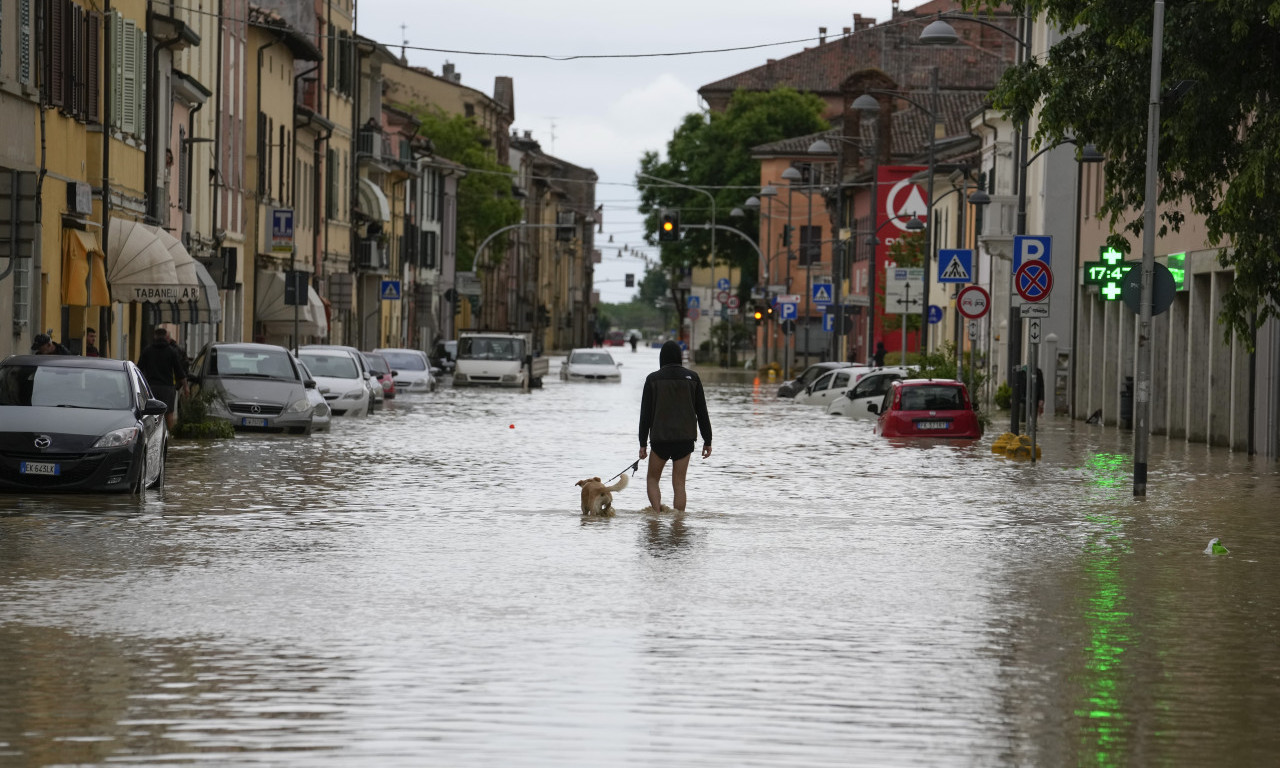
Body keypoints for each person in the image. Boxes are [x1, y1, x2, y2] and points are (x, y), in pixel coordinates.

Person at [638, 340, 713, 512]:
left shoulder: (652, 379)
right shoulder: (692, 378)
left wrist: (642, 443)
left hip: (660, 439)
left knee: (652, 479)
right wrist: (707, 440)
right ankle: (679, 525)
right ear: (679, 357)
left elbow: (645, 415)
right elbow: (702, 412)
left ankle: (656, 516)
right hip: (685, 439)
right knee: (679, 483)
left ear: (662, 357)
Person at [137, 327, 188, 429]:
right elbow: (179, 371)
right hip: (167, 388)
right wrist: (186, 387)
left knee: (150, 414)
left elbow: (139, 369)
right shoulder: (171, 351)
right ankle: (169, 439)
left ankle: (151, 435)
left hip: (150, 388)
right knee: (168, 413)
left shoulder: (147, 350)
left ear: (155, 336)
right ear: (166, 337)